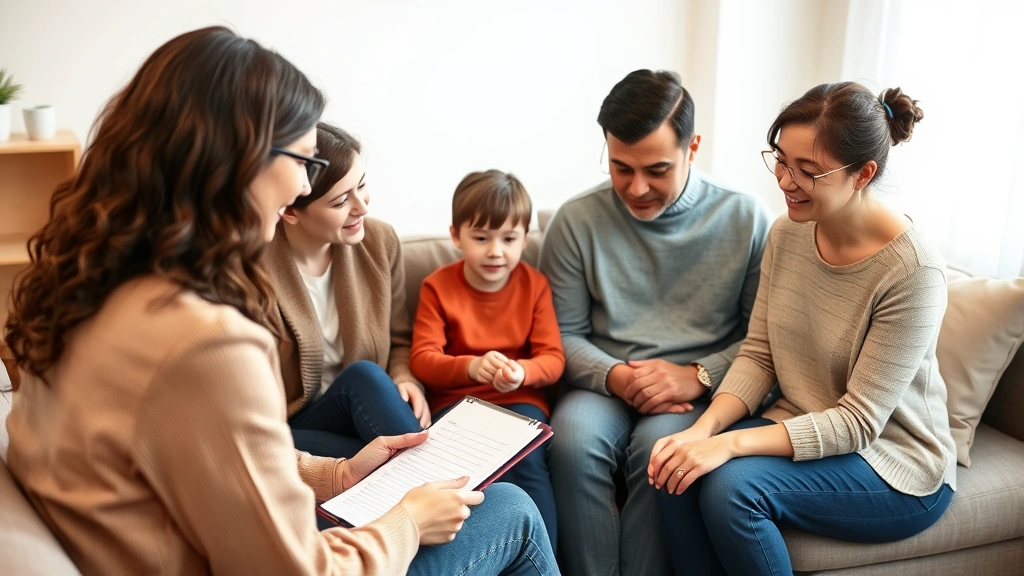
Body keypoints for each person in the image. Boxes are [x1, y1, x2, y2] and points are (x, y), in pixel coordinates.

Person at [3, 26, 557, 575]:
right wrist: (408, 520)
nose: (300, 188)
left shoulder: (94, 288)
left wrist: (337, 476)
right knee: (511, 509)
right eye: (305, 164)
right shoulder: (204, 340)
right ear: (240, 163)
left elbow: (215, 457)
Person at [648, 82, 957, 576]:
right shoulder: (787, 232)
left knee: (733, 488)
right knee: (671, 464)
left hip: (892, 462)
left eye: (808, 171)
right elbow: (759, 355)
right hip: (801, 422)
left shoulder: (913, 272)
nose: (785, 181)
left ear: (864, 174)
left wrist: (728, 443)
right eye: (780, 160)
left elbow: (858, 422)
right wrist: (701, 431)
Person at [539, 69, 771, 575]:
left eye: (657, 169)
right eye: (620, 167)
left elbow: (764, 340)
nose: (636, 187)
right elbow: (561, 335)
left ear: (693, 148)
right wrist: (618, 376)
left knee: (661, 451)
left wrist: (699, 373)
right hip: (601, 379)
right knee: (573, 441)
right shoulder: (576, 221)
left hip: (697, 385)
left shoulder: (746, 218)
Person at [410, 169, 564, 551]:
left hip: (520, 402)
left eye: (509, 239)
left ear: (525, 239)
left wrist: (522, 371)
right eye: (481, 238)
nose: (496, 251)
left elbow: (553, 359)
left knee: (528, 465)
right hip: (457, 404)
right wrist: (470, 366)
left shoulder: (534, 285)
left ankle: (545, 559)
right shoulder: (438, 286)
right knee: (464, 476)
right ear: (456, 236)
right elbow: (423, 360)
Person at [264, 122, 426, 460]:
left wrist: (404, 377)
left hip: (361, 411)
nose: (362, 207)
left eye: (362, 186)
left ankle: (423, 476)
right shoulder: (252, 272)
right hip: (289, 428)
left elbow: (399, 341)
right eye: (340, 201)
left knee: (368, 382)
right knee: (375, 446)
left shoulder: (380, 243)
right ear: (290, 210)